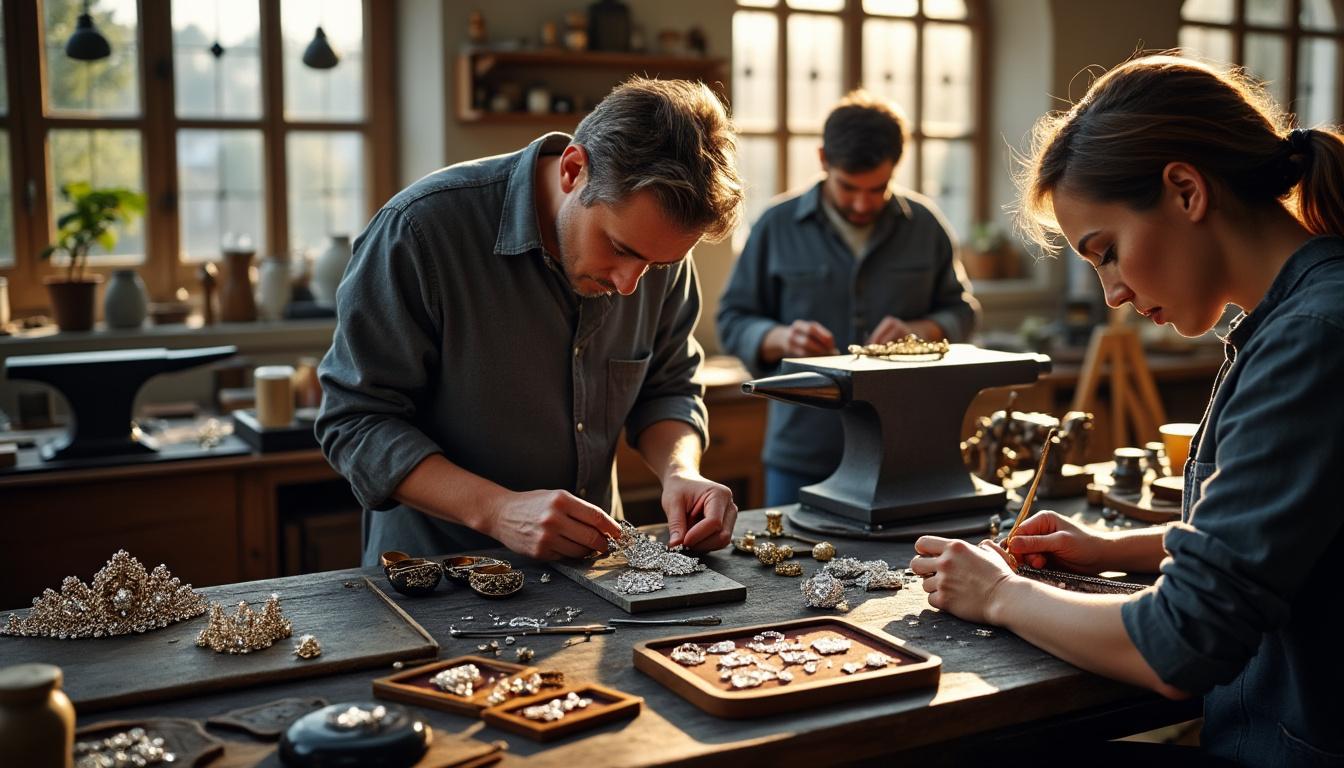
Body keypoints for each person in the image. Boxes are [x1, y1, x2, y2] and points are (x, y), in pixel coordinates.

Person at [909, 55, 1344, 766]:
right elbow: (1282, 535)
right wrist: (1113, 550)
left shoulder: (1314, 338)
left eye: (1106, 252)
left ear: (1184, 190)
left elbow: (1180, 644)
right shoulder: (1296, 316)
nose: (1111, 291)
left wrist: (998, 594)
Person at [316, 78, 745, 565]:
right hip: (435, 581)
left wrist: (680, 471)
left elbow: (668, 387)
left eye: (655, 266)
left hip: (595, 576)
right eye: (620, 249)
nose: (630, 284)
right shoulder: (418, 232)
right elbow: (355, 422)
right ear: (573, 170)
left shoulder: (652, 251)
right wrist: (497, 511)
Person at [716, 90, 979, 506]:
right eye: (849, 187)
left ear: (896, 166)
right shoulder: (775, 225)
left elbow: (962, 311)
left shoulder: (926, 226)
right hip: (801, 451)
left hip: (905, 451)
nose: (862, 203)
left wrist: (918, 333)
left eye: (877, 188)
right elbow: (732, 319)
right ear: (823, 159)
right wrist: (781, 338)